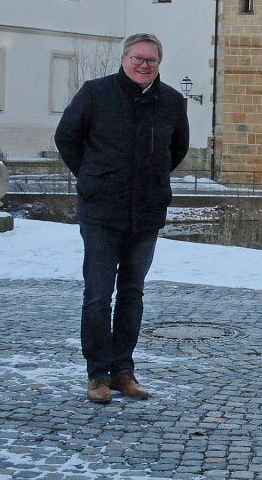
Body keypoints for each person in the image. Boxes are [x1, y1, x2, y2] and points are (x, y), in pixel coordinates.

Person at [55, 33, 189, 404]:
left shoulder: (172, 102)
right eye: (138, 58)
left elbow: (176, 149)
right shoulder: (96, 93)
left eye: (151, 60)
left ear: (159, 64)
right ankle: (97, 375)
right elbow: (67, 137)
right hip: (102, 210)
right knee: (98, 295)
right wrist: (92, 177)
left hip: (146, 212)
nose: (144, 65)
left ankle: (123, 371)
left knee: (132, 294)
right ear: (124, 58)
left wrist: (152, 178)